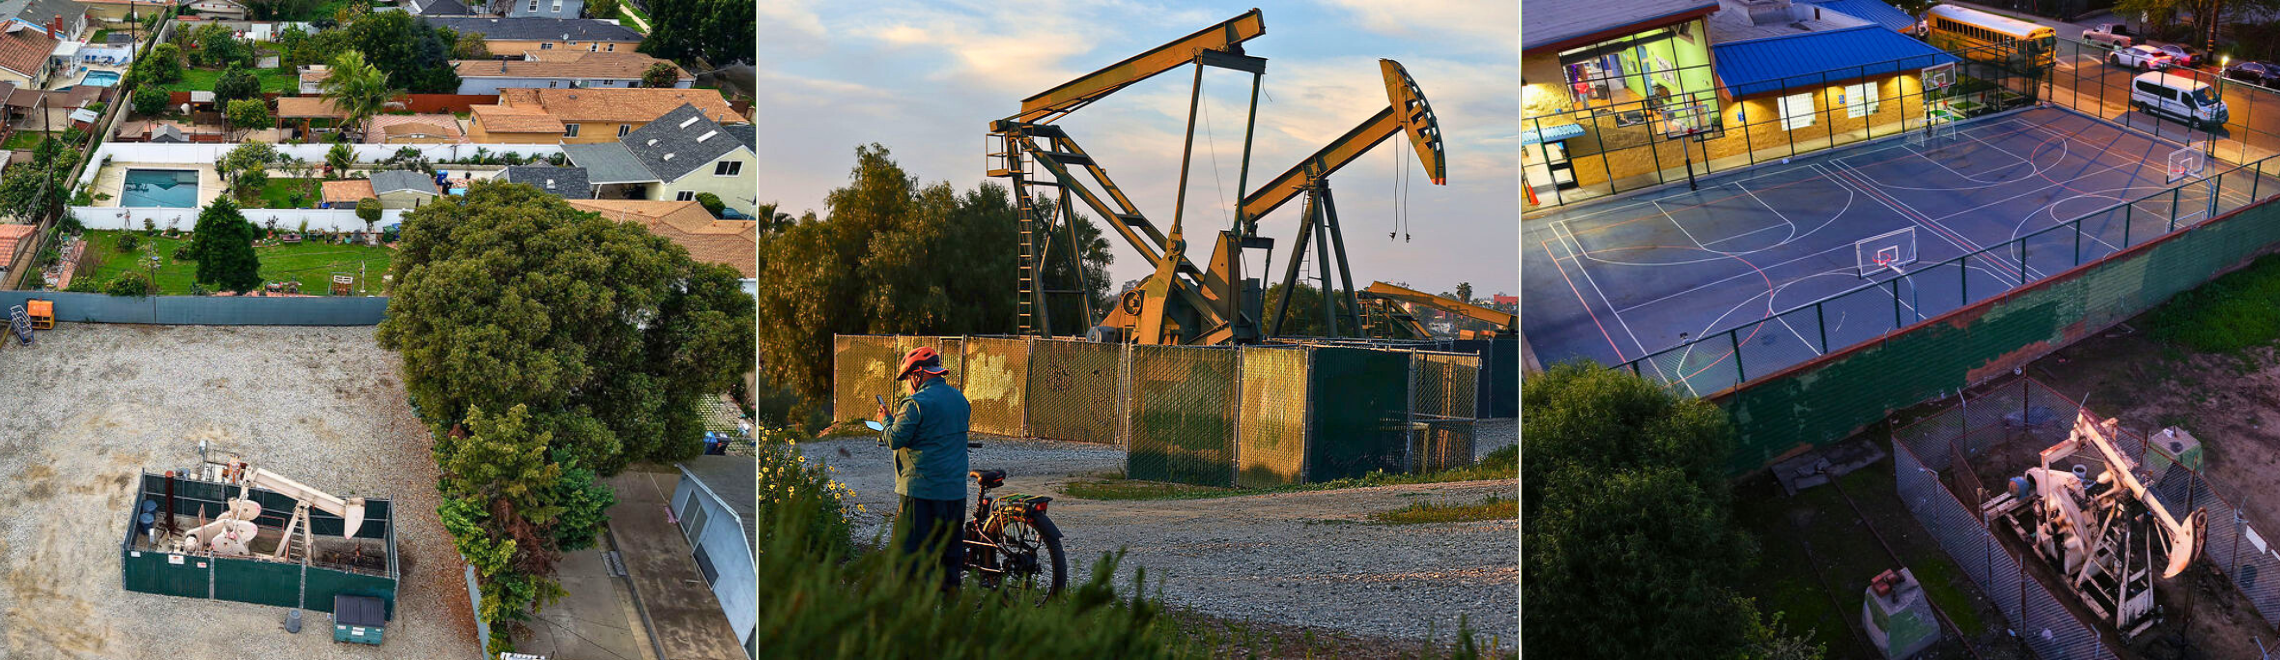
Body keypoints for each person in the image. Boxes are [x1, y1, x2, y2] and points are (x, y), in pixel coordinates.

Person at [877, 346, 972, 591]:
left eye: (909, 377)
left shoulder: (915, 404)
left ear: (917, 374)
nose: (909, 383)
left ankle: (911, 617)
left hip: (920, 493)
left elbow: (894, 439)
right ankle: (951, 616)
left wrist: (885, 419)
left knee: (908, 560)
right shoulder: (960, 400)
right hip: (955, 494)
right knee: (949, 560)